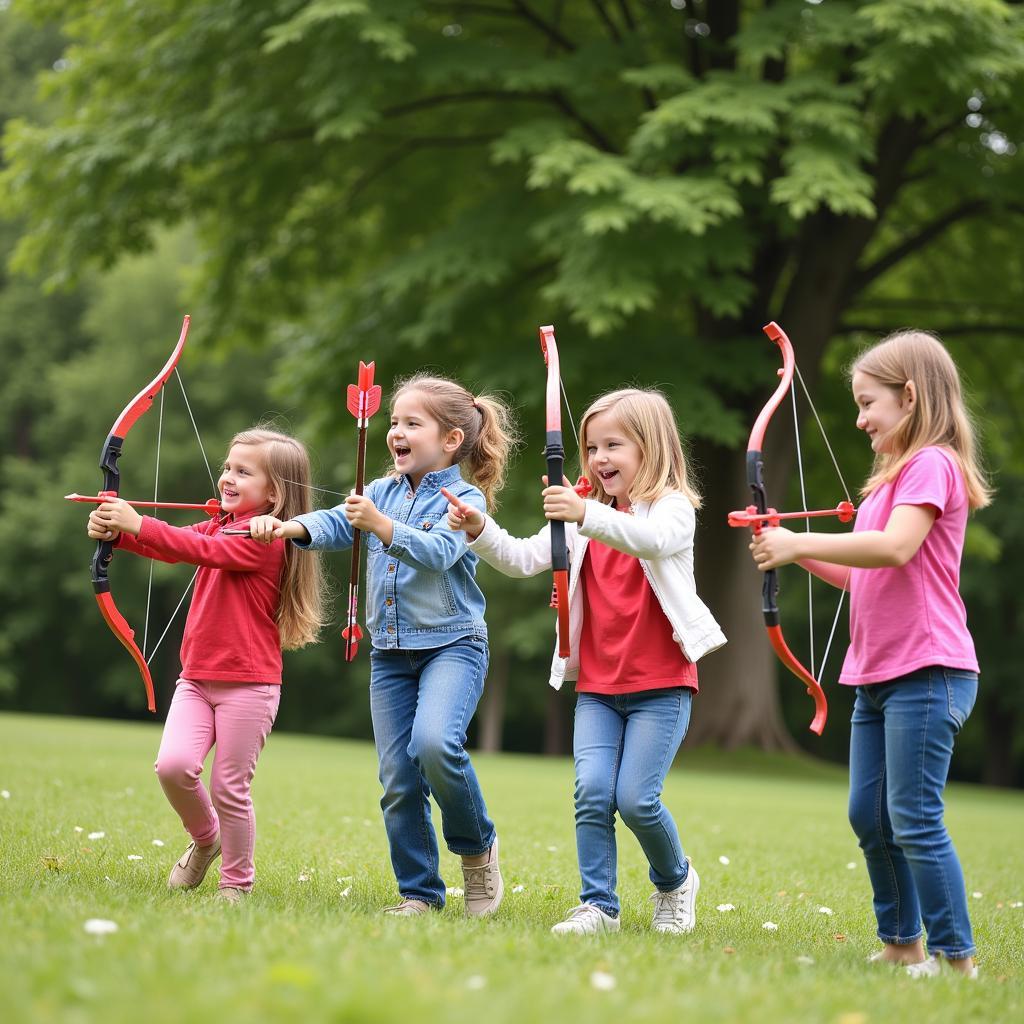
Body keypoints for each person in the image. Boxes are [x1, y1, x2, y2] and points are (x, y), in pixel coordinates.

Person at [749, 330, 990, 978]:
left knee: (911, 815)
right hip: (878, 670)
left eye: (867, 403)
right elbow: (865, 573)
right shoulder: (888, 481)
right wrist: (790, 549)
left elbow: (893, 549)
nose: (858, 418)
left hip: (929, 668)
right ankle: (901, 942)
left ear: (909, 398)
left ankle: (954, 956)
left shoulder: (933, 463)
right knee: (868, 812)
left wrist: (799, 544)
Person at [446, 388, 726, 935]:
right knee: (593, 793)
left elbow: (651, 540)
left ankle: (675, 881)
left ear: (652, 447)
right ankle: (598, 906)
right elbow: (528, 558)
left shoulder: (669, 508)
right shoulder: (585, 514)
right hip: (598, 684)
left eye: (613, 445)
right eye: (591, 447)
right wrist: (480, 532)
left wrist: (586, 512)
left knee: (637, 800)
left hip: (662, 683)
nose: (598, 459)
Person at [247, 376, 518, 917]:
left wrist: (381, 524)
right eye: (394, 421)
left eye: (412, 423)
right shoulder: (380, 491)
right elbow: (333, 523)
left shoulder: (463, 498)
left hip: (453, 646)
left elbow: (440, 551)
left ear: (450, 440)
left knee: (436, 745)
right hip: (392, 655)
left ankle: (477, 849)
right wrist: (287, 527)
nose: (396, 431)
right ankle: (419, 893)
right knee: (398, 779)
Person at [87, 428, 325, 902]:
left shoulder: (266, 540)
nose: (227, 478)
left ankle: (235, 883)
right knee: (172, 767)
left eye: (243, 471)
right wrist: (118, 534)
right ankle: (205, 839)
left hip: (250, 686)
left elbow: (193, 549)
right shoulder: (222, 524)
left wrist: (136, 523)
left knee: (229, 787)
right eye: (227, 468)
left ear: (275, 492)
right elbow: (171, 544)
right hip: (196, 679)